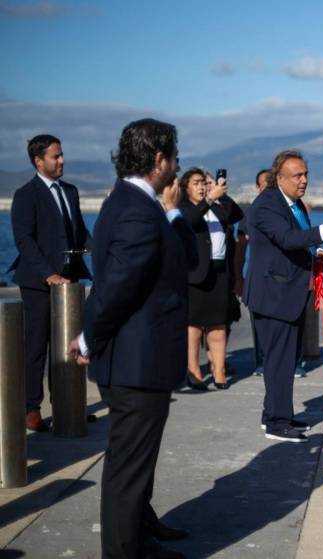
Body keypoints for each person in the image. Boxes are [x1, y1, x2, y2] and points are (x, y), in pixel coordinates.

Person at [68, 118, 197, 559]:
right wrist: (87, 338)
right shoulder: (137, 210)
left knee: (136, 468)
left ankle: (142, 542)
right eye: (174, 157)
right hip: (136, 364)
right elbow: (118, 286)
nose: (177, 167)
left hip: (137, 361)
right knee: (126, 473)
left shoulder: (123, 202)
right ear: (158, 159)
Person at [243, 150, 323, 443]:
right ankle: (277, 423)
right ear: (279, 178)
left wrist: (315, 253)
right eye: (297, 176)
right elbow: (286, 238)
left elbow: (296, 241)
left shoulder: (294, 203)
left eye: (306, 174)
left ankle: (277, 414)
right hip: (272, 295)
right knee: (278, 360)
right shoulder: (266, 205)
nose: (303, 181)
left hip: (291, 291)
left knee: (287, 359)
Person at [8, 134, 91, 432]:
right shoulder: (25, 194)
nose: (62, 160)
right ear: (38, 161)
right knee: (37, 348)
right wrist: (48, 274)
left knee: (68, 345)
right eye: (55, 156)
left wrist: (103, 252)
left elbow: (79, 232)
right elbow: (24, 241)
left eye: (62, 154)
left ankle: (68, 405)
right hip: (38, 283)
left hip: (69, 281)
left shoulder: (70, 191)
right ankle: (31, 408)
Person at [178, 168, 244, 390]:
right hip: (196, 275)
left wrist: (221, 193)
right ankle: (194, 370)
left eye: (204, 183)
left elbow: (236, 214)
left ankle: (219, 369)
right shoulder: (184, 208)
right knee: (194, 326)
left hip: (219, 274)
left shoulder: (217, 206)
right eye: (196, 183)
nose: (201, 187)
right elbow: (190, 222)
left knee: (218, 325)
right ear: (186, 187)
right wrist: (209, 198)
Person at [234, 169, 270, 376]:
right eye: (265, 184)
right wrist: (238, 277)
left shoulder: (289, 209)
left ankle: (294, 362)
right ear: (258, 188)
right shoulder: (251, 213)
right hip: (257, 278)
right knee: (259, 323)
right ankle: (261, 361)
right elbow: (240, 249)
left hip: (283, 279)